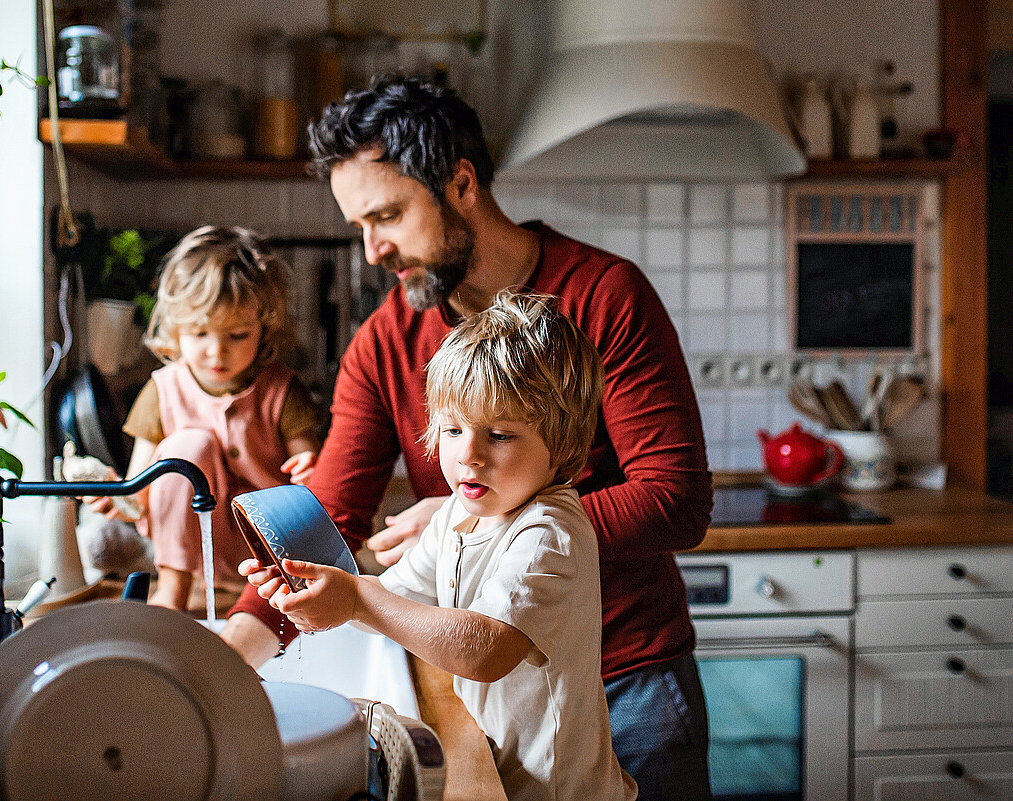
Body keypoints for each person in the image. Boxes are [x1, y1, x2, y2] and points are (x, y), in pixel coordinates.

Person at [220, 76, 715, 800]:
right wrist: (232, 652)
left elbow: (674, 498)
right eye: (359, 224)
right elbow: (326, 517)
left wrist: (488, 522)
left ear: (460, 184)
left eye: (386, 215)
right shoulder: (386, 337)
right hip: (488, 699)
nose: (372, 250)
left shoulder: (606, 296)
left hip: (627, 680)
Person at [244, 292, 636, 801]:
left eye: (498, 435)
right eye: (452, 429)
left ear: (560, 443)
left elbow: (485, 650)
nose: (467, 455)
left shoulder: (547, 533)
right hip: (505, 772)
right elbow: (398, 599)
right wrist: (319, 596)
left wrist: (358, 598)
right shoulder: (460, 511)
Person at [90, 225, 321, 610]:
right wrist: (119, 495)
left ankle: (258, 594)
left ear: (264, 329)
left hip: (272, 552)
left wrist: (311, 468)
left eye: (237, 335)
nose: (217, 352)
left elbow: (313, 469)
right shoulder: (163, 389)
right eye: (200, 334)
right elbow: (140, 487)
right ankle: (172, 591)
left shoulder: (281, 390)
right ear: (176, 330)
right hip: (192, 553)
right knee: (187, 447)